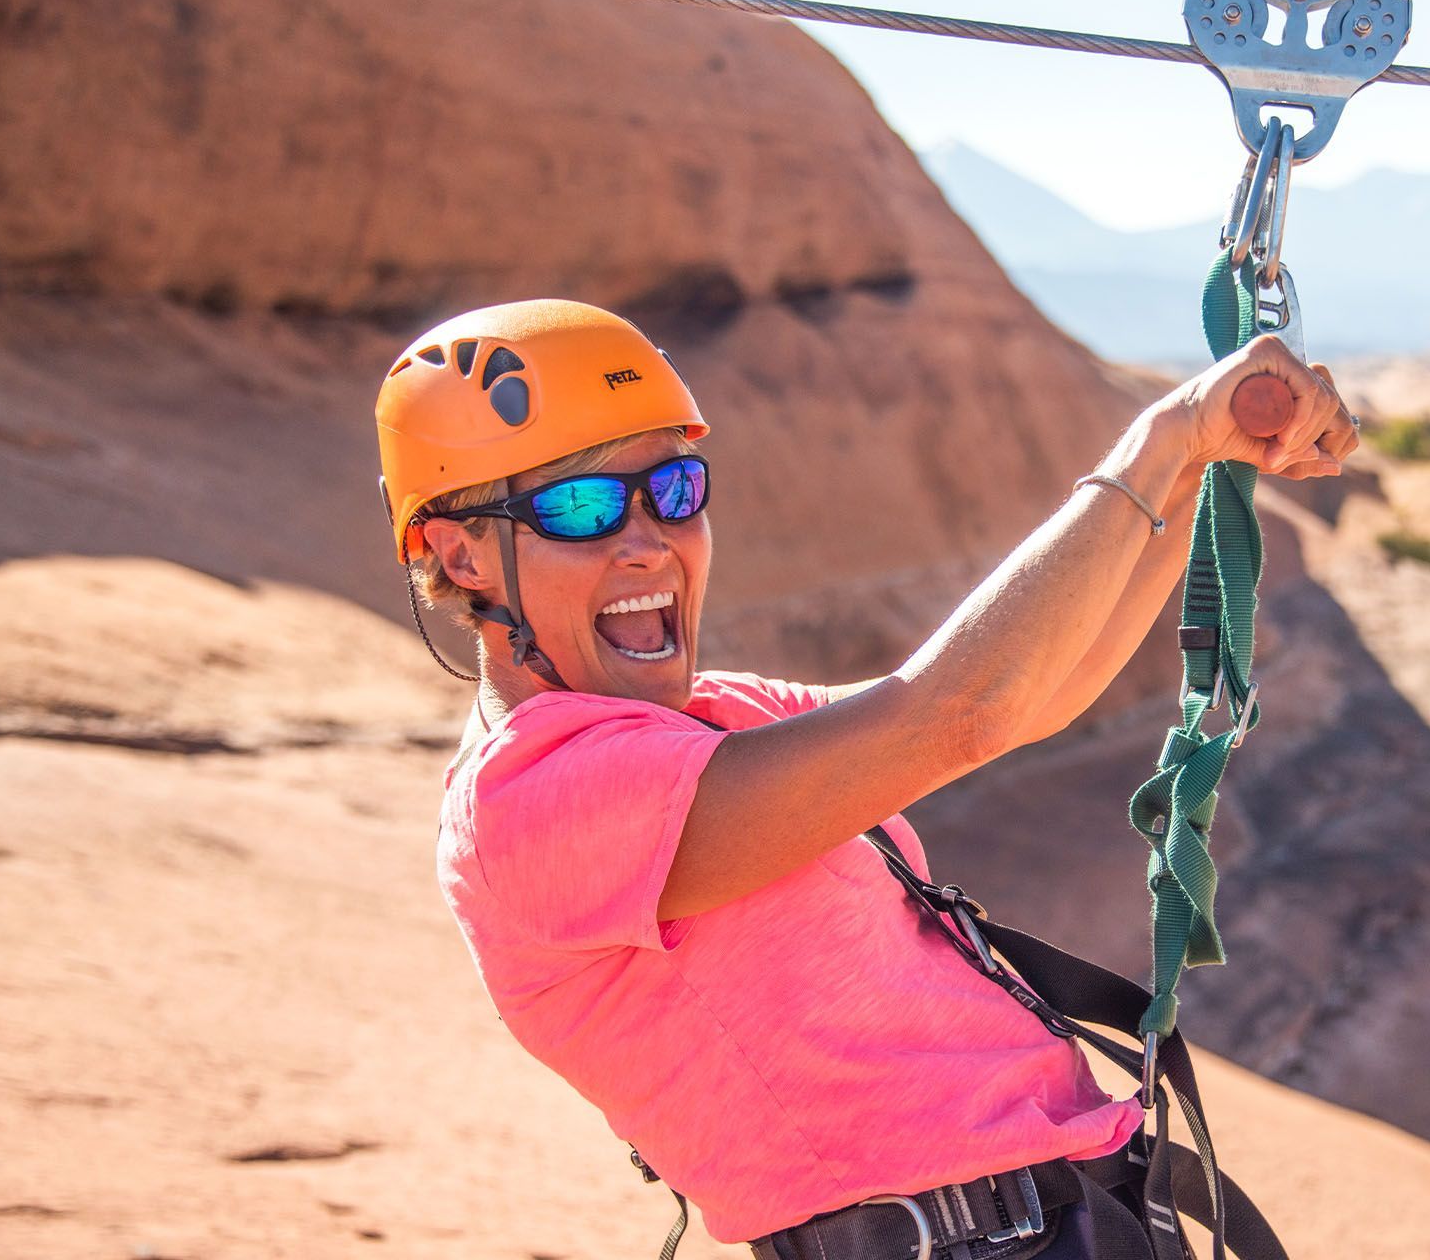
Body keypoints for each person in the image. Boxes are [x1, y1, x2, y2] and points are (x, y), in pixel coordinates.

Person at [374, 298, 1357, 1260]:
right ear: (461, 555)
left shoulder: (717, 714)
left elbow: (1032, 692)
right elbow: (956, 710)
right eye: (578, 507)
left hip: (1061, 1217)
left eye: (672, 490)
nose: (647, 539)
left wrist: (1197, 464)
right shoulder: (534, 798)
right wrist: (1164, 437)